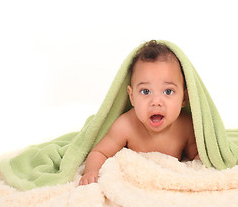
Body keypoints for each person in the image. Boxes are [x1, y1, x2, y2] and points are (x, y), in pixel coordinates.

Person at [79, 40, 199, 186]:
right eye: (145, 91)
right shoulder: (125, 126)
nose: (156, 101)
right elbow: (99, 153)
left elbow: (197, 160)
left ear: (184, 98)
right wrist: (92, 172)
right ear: (132, 97)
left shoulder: (186, 127)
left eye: (168, 91)